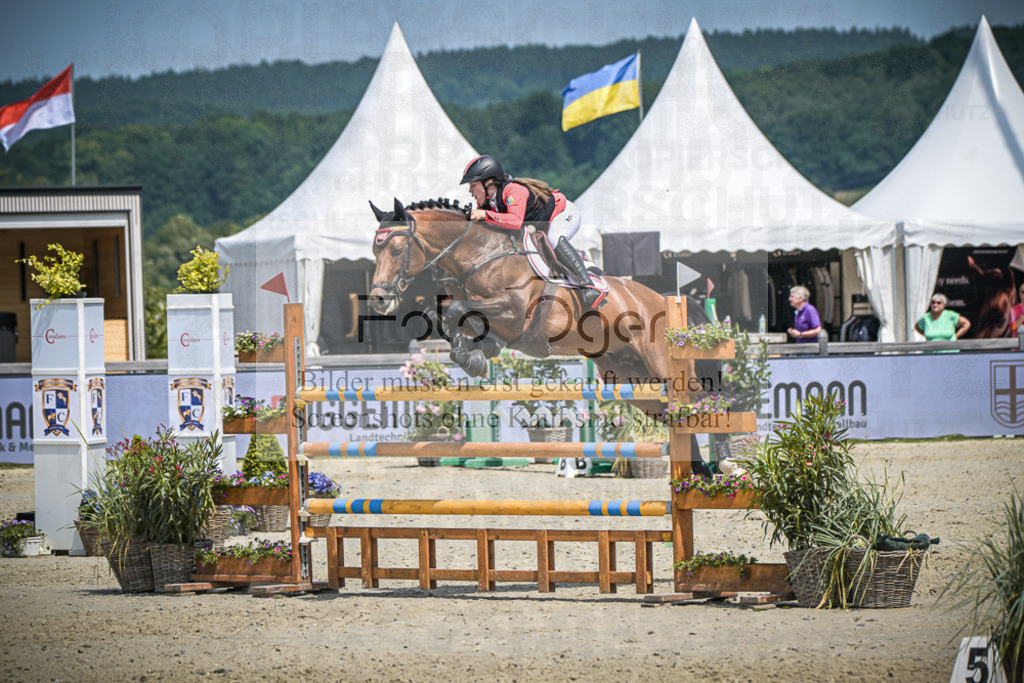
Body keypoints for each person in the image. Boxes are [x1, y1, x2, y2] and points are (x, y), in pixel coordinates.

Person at [460, 154, 605, 309]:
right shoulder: (488, 203)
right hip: (541, 225)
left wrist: (485, 215)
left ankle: (589, 286)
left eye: (473, 185)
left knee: (554, 239)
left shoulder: (512, 190)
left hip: (562, 214)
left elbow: (515, 221)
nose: (470, 191)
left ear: (488, 182)